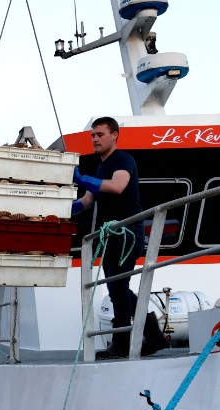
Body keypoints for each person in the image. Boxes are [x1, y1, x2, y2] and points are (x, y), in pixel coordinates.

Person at [70, 116, 165, 358]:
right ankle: (150, 336)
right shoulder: (100, 167)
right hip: (112, 235)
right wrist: (62, 210)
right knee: (116, 287)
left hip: (127, 232)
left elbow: (117, 186)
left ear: (114, 135)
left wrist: (81, 178)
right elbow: (87, 201)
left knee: (118, 286)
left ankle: (127, 341)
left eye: (100, 134)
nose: (94, 139)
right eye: (93, 135)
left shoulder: (123, 160)